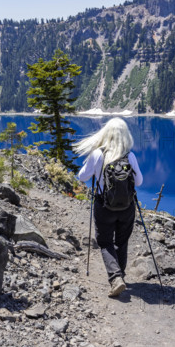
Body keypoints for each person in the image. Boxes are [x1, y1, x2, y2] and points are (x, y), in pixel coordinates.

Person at [74, 118, 143, 297]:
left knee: (105, 242)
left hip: (104, 206)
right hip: (127, 208)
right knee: (121, 241)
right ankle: (121, 276)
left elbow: (82, 177)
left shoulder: (98, 154)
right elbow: (140, 181)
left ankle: (115, 278)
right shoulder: (130, 155)